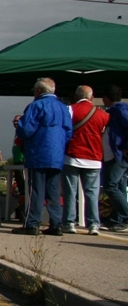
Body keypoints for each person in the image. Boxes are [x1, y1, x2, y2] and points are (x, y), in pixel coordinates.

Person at [12, 78, 73, 236]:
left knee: (36, 190)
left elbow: (26, 130)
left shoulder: (36, 105)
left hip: (38, 153)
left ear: (38, 91)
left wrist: (20, 130)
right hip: (57, 154)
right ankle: (56, 223)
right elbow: (68, 132)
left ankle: (32, 223)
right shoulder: (63, 108)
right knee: (53, 191)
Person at [61, 86, 108, 235]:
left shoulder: (70, 109)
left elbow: (65, 130)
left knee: (70, 192)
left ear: (75, 96)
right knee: (92, 194)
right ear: (92, 97)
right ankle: (93, 224)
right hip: (94, 158)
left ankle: (69, 223)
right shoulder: (103, 114)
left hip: (72, 156)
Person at [102, 86, 128, 232]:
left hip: (118, 155)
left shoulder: (118, 110)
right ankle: (118, 219)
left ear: (106, 98)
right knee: (118, 185)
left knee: (111, 185)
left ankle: (125, 217)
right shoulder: (118, 110)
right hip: (116, 154)